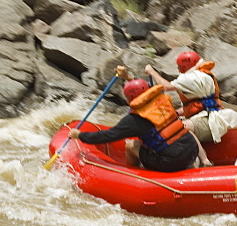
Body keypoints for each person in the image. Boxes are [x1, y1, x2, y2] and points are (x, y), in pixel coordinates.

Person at [69, 67, 205, 172]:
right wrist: (127, 76)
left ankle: (133, 173)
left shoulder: (135, 120)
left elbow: (108, 135)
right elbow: (142, 90)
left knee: (130, 145)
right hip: (192, 150)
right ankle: (191, 167)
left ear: (129, 99)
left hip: (171, 161)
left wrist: (80, 135)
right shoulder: (161, 99)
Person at [145, 50, 237, 148]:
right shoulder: (203, 75)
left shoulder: (191, 77)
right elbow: (198, 104)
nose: (179, 70)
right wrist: (176, 113)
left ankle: (203, 159)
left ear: (184, 66)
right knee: (176, 123)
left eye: (179, 67)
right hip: (213, 116)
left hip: (208, 121)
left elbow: (166, 87)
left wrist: (152, 72)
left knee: (177, 128)